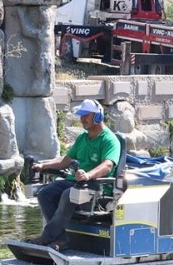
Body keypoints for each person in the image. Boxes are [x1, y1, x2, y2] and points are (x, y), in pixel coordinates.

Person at [29, 99, 121, 251]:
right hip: (75, 182)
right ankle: (61, 239)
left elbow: (108, 165)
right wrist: (43, 165)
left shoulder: (110, 140)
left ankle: (46, 237)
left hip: (95, 187)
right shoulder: (82, 138)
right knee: (44, 193)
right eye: (81, 115)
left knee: (68, 194)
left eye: (86, 115)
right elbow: (65, 160)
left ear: (98, 117)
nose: (82, 119)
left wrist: (88, 175)